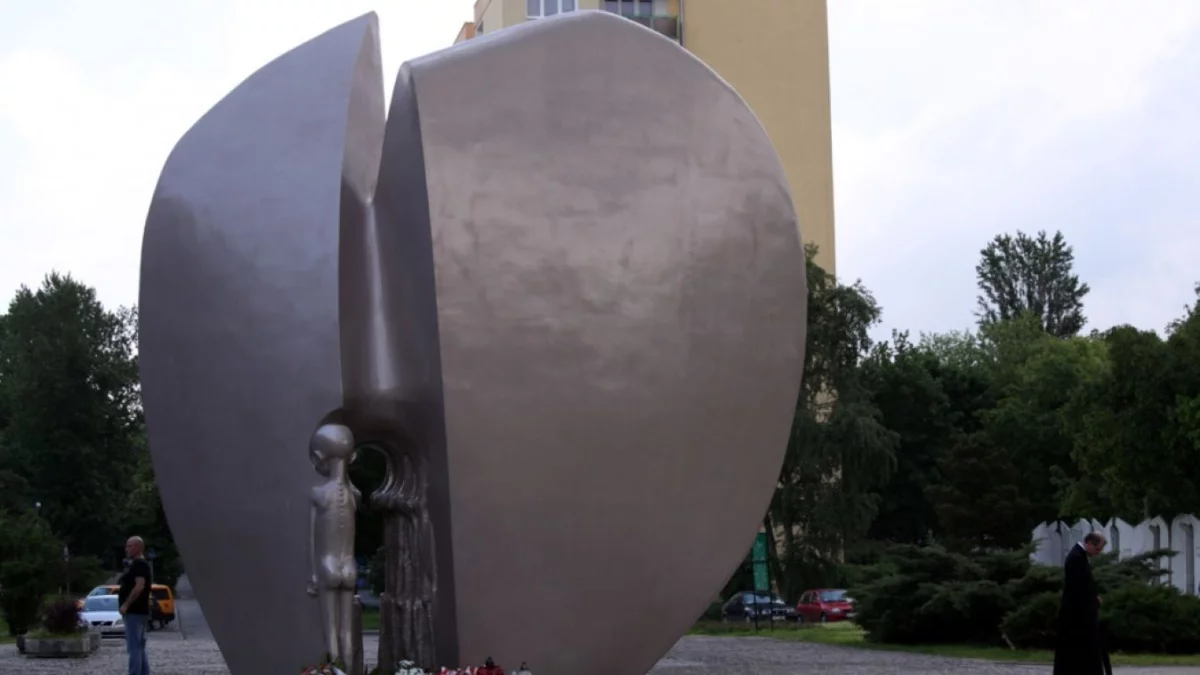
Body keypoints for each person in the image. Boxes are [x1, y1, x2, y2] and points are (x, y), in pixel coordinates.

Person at [1053, 530, 1106, 675]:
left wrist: (1094, 596)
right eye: (1097, 549)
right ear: (1089, 543)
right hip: (1076, 615)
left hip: (1080, 613)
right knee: (1076, 652)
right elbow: (1077, 588)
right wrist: (1091, 599)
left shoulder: (1080, 556)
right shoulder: (1076, 558)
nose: (1098, 553)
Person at [118, 535, 153, 675]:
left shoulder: (139, 564)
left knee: (134, 647)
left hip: (135, 611)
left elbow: (139, 586)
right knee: (139, 645)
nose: (126, 549)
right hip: (139, 611)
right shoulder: (137, 564)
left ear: (138, 547)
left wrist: (126, 604)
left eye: (129, 546)